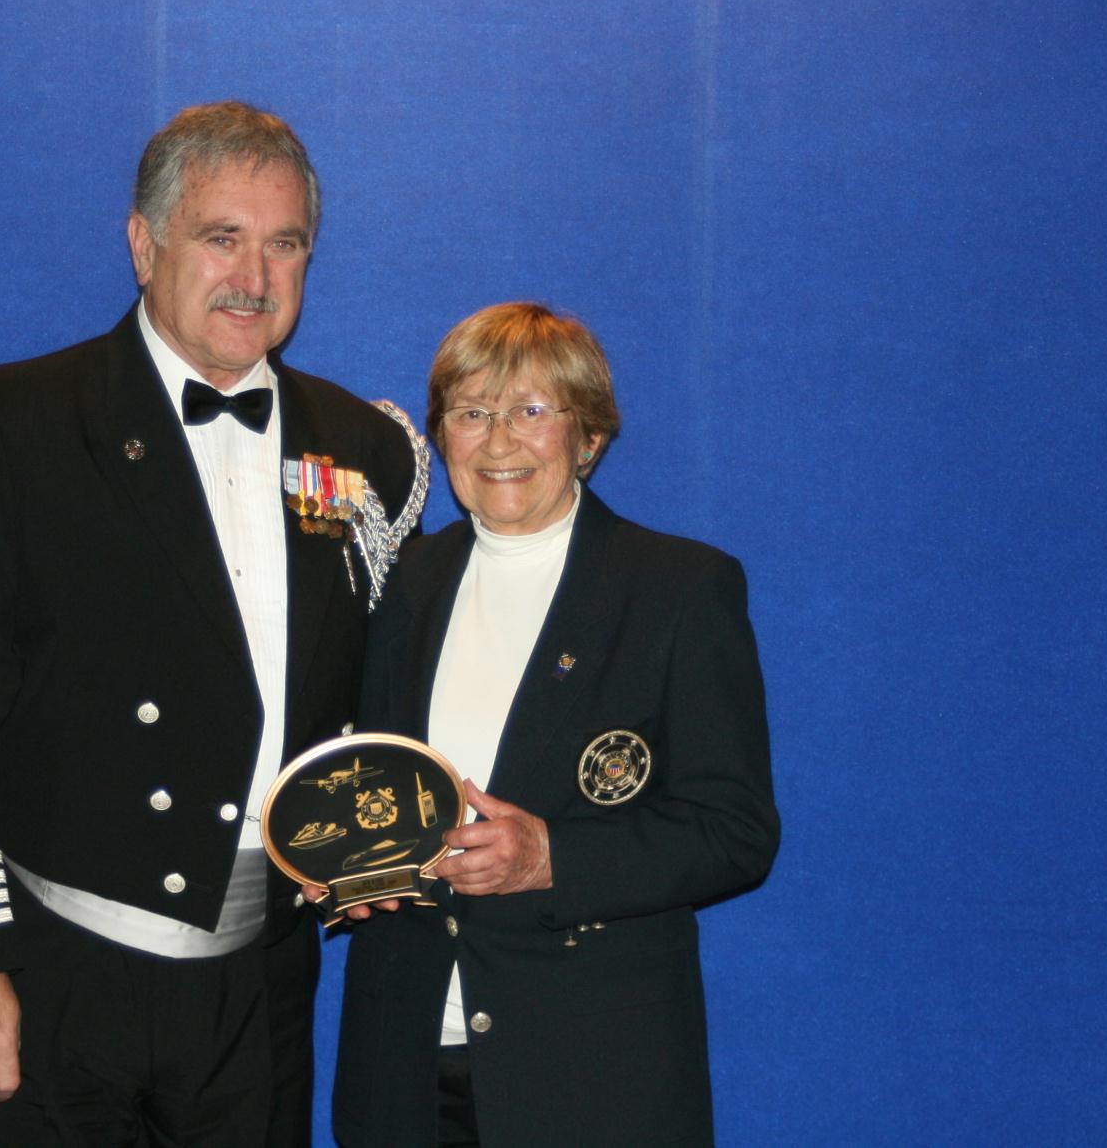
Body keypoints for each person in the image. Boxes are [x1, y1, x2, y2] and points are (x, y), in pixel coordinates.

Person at [0, 102, 424, 1146]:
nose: (254, 275)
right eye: (222, 237)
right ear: (142, 242)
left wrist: (376, 847)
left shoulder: (363, 450)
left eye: (285, 242)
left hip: (260, 985)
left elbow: (372, 694)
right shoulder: (10, 424)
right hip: (54, 973)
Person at [331, 302, 779, 1148]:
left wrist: (551, 857)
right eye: (471, 411)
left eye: (530, 409)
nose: (497, 440)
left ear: (589, 436)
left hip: (590, 1073)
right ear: (441, 436)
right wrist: (346, 864)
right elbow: (376, 785)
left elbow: (736, 833)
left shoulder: (680, 589)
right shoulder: (408, 581)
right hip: (404, 1067)